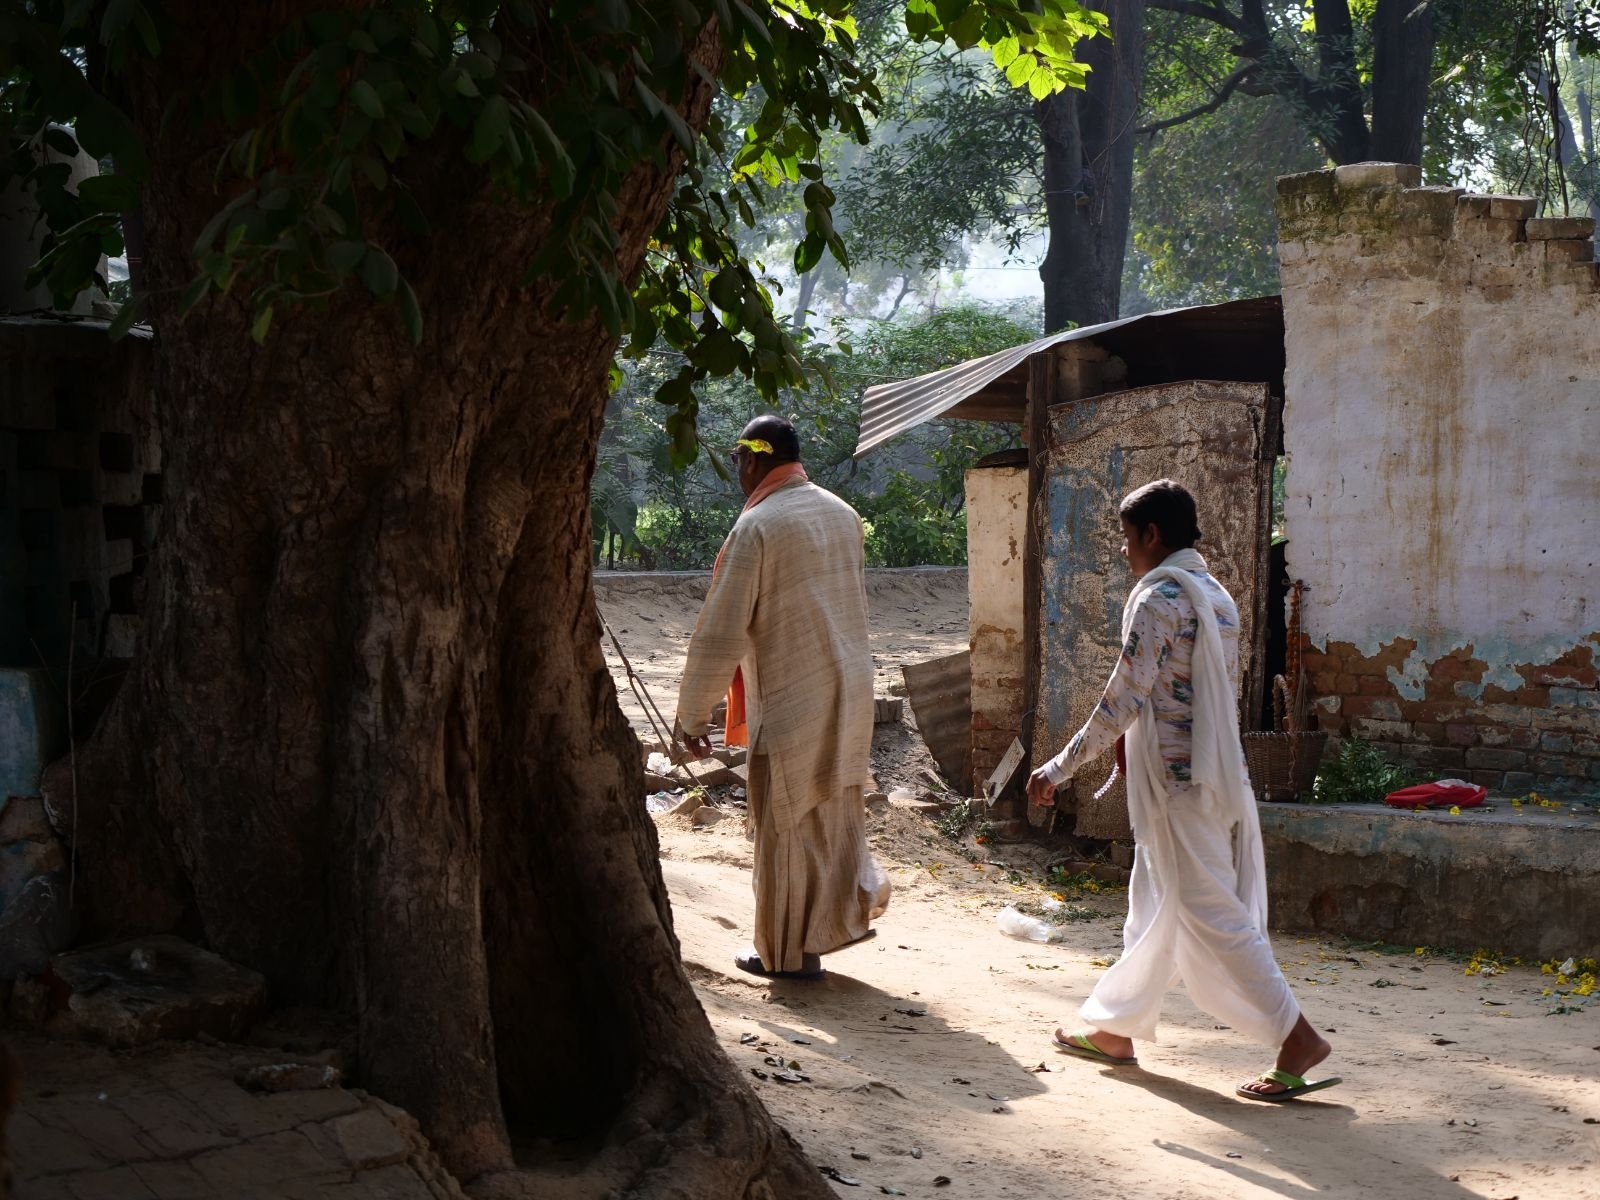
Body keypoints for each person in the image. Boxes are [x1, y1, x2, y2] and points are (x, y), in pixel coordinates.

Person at [1026, 479, 1339, 1102]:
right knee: (1151, 902)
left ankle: (1296, 1035)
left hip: (1177, 783)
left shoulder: (1160, 599)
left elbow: (1124, 698)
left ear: (1151, 535)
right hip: (1204, 776)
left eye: (1125, 538)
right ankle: (1115, 1028)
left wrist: (1058, 768)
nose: (1122, 552)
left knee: (1213, 912)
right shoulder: (1215, 594)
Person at [675, 414, 890, 980]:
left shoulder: (759, 526)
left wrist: (692, 715)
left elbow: (722, 629)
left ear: (752, 459)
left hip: (795, 693)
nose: (740, 473)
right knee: (830, 816)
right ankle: (824, 932)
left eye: (740, 461)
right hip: (850, 686)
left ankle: (787, 955)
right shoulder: (842, 514)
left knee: (784, 825)